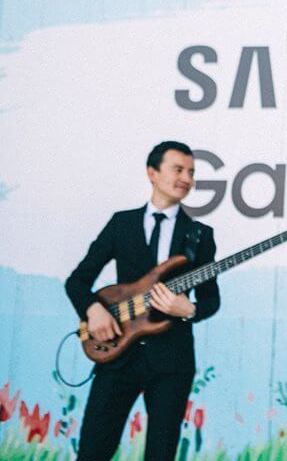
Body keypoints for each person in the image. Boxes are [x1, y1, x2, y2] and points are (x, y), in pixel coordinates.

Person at [65, 140, 220, 461]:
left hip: (172, 362)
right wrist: (94, 311)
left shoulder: (200, 235)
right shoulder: (122, 223)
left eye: (191, 172)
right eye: (178, 169)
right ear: (152, 173)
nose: (187, 179)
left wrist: (189, 309)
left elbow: (211, 299)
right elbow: (77, 281)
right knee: (93, 451)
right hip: (118, 354)